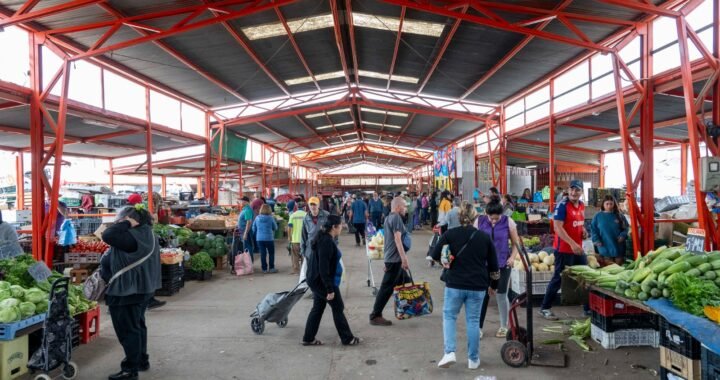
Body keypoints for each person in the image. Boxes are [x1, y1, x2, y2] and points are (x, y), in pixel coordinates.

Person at [430, 201, 499, 370]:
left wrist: (445, 262)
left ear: (458, 217)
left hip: (454, 284)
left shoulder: (449, 235)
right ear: (475, 217)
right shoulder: (484, 237)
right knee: (473, 322)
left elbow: (433, 254)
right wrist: (494, 285)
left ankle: (449, 353)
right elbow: (494, 267)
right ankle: (473, 359)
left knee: (449, 317)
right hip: (478, 286)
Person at [100, 205, 161, 380]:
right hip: (140, 290)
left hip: (127, 291)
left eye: (120, 219)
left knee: (128, 331)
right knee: (137, 326)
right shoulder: (146, 233)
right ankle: (141, 360)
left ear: (130, 220)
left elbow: (108, 235)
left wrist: (126, 223)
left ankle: (130, 370)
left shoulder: (133, 236)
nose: (117, 222)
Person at [302, 215, 361, 347]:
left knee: (318, 307)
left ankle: (308, 338)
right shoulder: (326, 242)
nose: (342, 228)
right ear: (334, 227)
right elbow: (324, 268)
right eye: (340, 226)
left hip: (316, 279)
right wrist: (329, 289)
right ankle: (347, 338)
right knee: (337, 307)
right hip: (322, 281)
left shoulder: (324, 237)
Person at [540, 180, 589, 320]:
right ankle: (545, 308)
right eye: (572, 189)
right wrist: (572, 244)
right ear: (568, 190)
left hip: (578, 249)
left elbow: (579, 223)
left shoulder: (581, 205)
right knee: (559, 278)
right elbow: (558, 228)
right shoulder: (562, 205)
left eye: (577, 190)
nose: (574, 192)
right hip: (564, 249)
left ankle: (588, 309)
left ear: (581, 192)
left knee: (585, 277)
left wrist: (583, 231)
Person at [477, 197, 521, 338]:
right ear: (486, 214)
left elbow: (516, 243)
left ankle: (503, 326)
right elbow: (473, 242)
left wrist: (512, 257)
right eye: (492, 218)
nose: (494, 221)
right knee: (483, 296)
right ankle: (478, 327)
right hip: (483, 265)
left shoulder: (508, 222)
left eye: (497, 218)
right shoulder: (479, 221)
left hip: (503, 263)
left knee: (501, 295)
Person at [369, 197, 410, 327]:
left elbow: (388, 240)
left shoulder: (388, 218)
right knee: (386, 289)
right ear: (398, 207)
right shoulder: (396, 218)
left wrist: (386, 260)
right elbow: (397, 240)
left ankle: (409, 307)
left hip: (391, 259)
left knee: (406, 282)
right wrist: (404, 259)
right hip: (395, 260)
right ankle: (375, 315)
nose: (406, 209)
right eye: (404, 206)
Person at [126, 194, 165, 310]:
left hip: (137, 248)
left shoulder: (126, 212)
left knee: (142, 274)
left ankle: (147, 299)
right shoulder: (137, 213)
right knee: (148, 273)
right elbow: (150, 222)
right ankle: (148, 300)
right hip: (144, 247)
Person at [299, 197, 331, 284]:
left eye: (315, 204)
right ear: (308, 206)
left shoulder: (326, 215)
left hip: (324, 248)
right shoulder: (306, 218)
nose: (313, 207)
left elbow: (333, 232)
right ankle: (315, 291)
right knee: (312, 272)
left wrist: (333, 246)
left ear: (318, 205)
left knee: (323, 271)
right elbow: (303, 235)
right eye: (311, 205)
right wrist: (303, 251)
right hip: (310, 249)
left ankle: (324, 289)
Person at [591, 195, 628, 266]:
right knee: (608, 268)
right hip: (604, 246)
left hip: (618, 246)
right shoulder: (598, 216)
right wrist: (596, 240)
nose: (609, 206)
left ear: (614, 204)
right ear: (603, 204)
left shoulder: (620, 216)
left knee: (618, 268)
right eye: (607, 204)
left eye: (611, 204)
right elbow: (593, 229)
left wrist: (623, 235)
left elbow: (626, 228)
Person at [252, 204, 278, 274]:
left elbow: (253, 228)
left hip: (259, 239)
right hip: (269, 238)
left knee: (263, 254)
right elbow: (275, 227)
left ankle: (264, 269)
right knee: (271, 253)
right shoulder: (271, 218)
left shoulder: (257, 218)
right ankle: (271, 268)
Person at [288, 201, 307, 275]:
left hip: (295, 239)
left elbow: (289, 228)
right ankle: (304, 270)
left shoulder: (293, 215)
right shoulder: (306, 215)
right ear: (304, 207)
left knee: (295, 256)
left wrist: (289, 237)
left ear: (296, 207)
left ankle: (296, 271)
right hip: (304, 239)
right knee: (304, 255)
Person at [235, 196, 254, 264]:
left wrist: (245, 233)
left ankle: (249, 263)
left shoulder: (248, 210)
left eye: (241, 201)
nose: (240, 202)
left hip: (246, 232)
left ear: (246, 202)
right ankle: (248, 262)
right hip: (242, 231)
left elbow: (249, 222)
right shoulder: (245, 209)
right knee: (245, 247)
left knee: (247, 247)